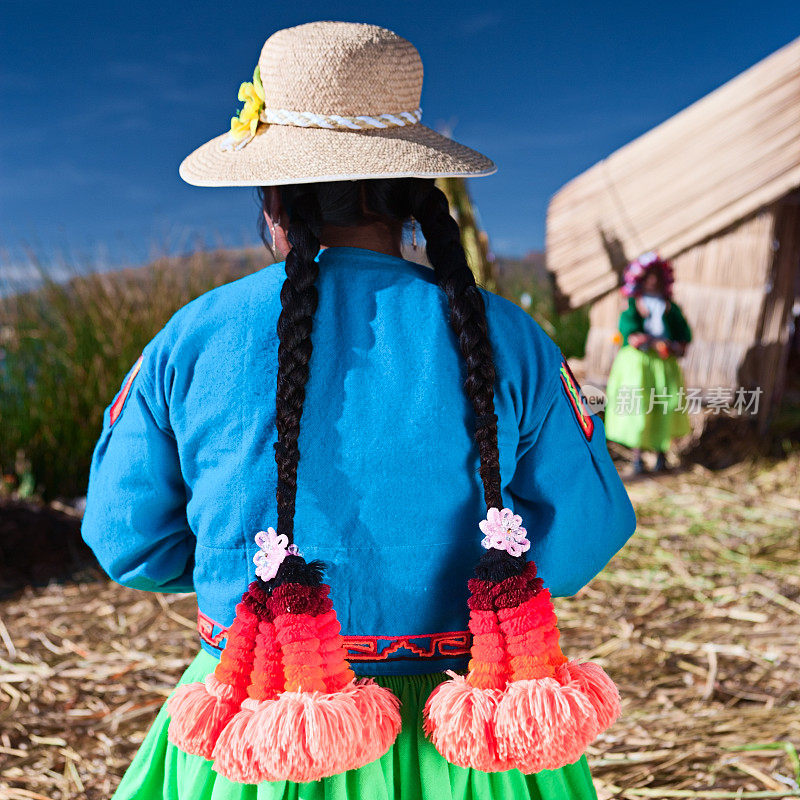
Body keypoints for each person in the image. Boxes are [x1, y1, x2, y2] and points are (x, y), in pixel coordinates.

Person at [81, 21, 637, 800]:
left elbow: (125, 540)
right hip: (475, 726)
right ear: (416, 197)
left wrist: (245, 583)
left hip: (264, 721)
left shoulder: (191, 340)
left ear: (271, 198)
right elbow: (584, 537)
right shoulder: (510, 338)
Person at [604, 252, 693, 474]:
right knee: (638, 406)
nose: (653, 280)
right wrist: (646, 341)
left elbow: (683, 333)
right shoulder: (634, 305)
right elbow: (629, 330)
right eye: (649, 276)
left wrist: (670, 345)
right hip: (638, 365)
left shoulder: (670, 308)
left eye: (657, 276)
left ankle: (661, 456)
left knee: (664, 405)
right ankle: (637, 458)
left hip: (664, 365)